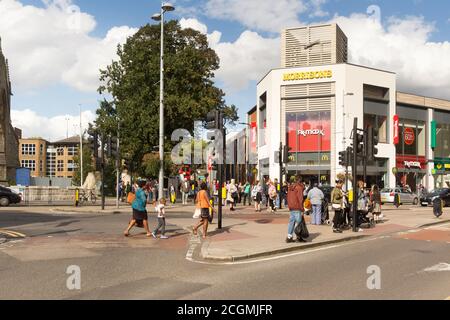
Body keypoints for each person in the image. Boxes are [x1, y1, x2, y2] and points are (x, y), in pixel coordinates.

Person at [286, 175, 306, 243]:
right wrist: (302, 209)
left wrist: (289, 206)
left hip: (291, 207)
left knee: (291, 222)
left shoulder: (290, 187)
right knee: (299, 223)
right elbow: (300, 199)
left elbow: (288, 197)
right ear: (300, 180)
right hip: (297, 207)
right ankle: (299, 237)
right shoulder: (299, 188)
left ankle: (289, 237)